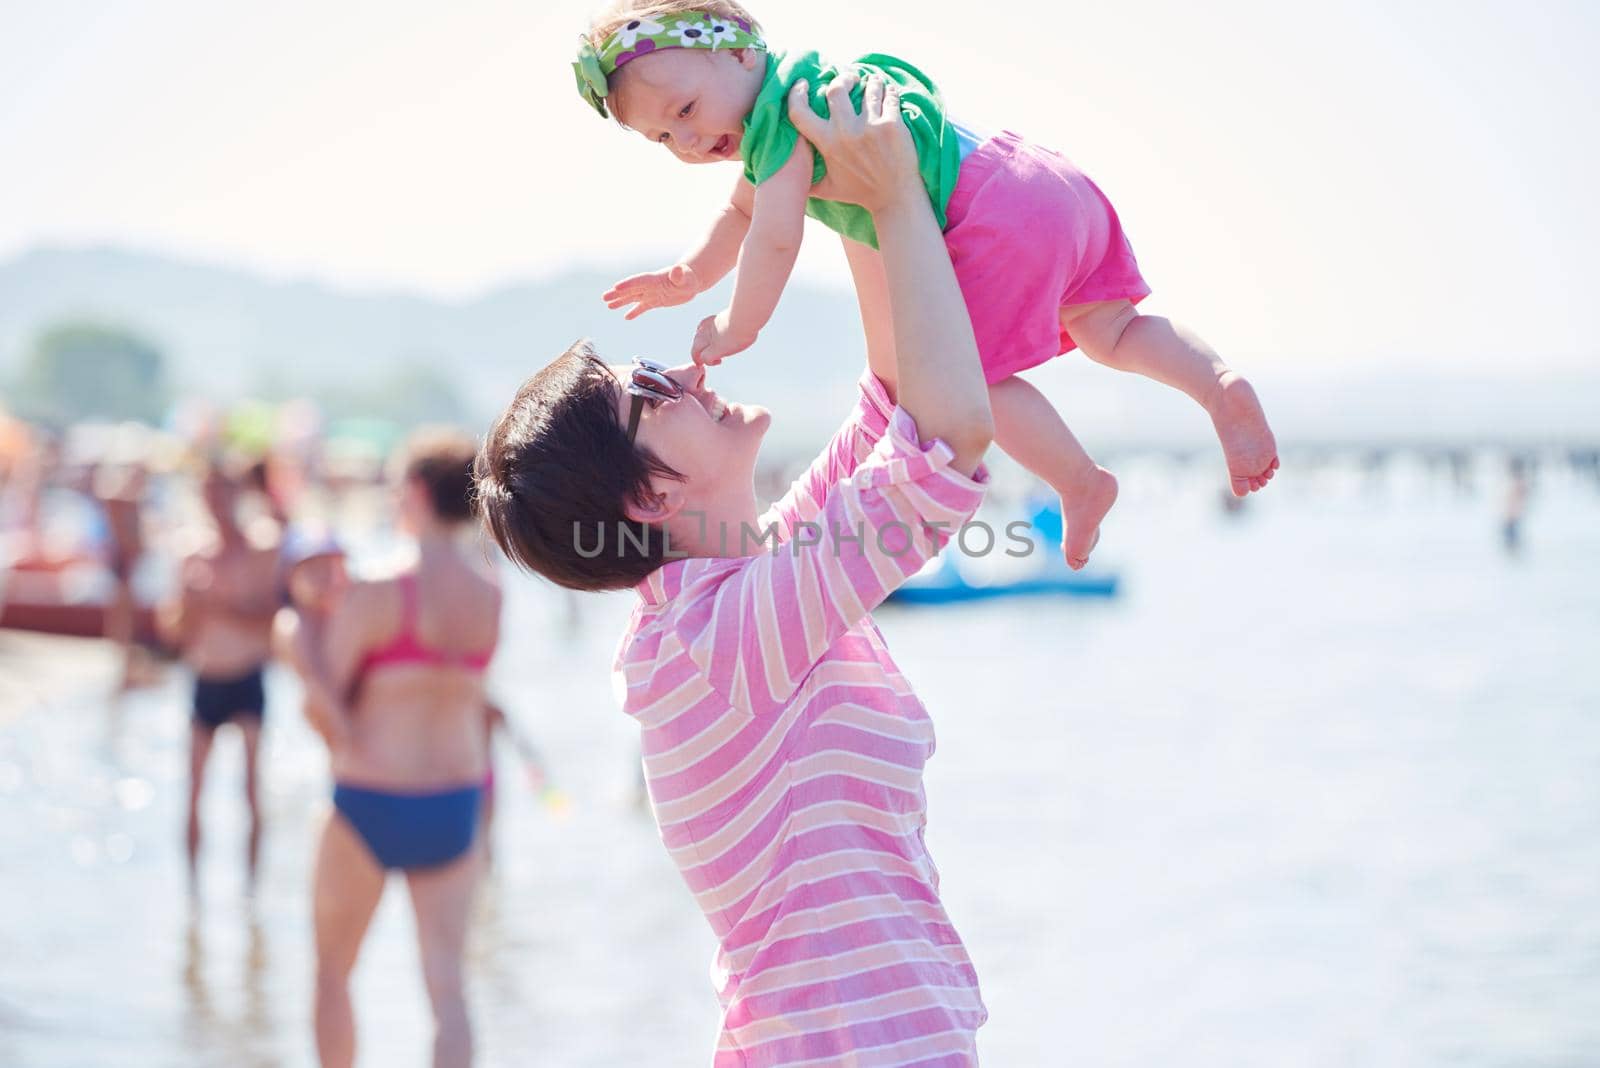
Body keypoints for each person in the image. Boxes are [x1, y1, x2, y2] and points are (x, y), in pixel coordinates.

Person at [477, 73, 992, 1064]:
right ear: (647, 497)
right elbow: (948, 441)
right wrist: (893, 199)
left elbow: (896, 405)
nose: (681, 369)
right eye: (649, 393)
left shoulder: (730, 594)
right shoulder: (710, 640)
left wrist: (833, 172)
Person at [581, 0, 1278, 569]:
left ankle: (1079, 481)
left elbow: (774, 236)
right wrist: (688, 275)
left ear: (738, 54)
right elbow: (742, 212)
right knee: (1114, 329)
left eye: (686, 111)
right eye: (664, 139)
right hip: (1034, 178)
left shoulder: (784, 123)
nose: (689, 140)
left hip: (988, 221)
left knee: (964, 379)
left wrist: (739, 326)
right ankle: (1217, 386)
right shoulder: (801, 88)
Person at [311, 430, 501, 1068]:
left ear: (416, 493)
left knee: (334, 974)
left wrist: (299, 648)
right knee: (448, 987)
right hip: (453, 802)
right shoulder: (491, 598)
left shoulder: (377, 590)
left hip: (372, 797)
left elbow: (325, 705)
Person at [161, 464, 282, 892]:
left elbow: (275, 622)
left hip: (246, 676)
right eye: (208, 492)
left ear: (236, 494)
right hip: (206, 677)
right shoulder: (191, 551)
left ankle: (252, 892)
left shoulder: (262, 547)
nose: (215, 501)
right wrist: (192, 606)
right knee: (194, 792)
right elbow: (174, 631)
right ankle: (192, 893)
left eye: (222, 491)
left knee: (252, 789)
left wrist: (223, 606)